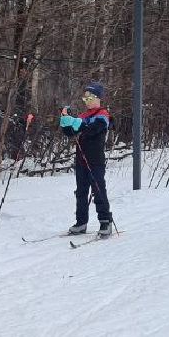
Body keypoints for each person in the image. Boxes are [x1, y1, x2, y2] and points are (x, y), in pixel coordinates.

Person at [60, 82, 114, 237]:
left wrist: (77, 123)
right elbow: (71, 132)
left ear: (98, 98)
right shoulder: (83, 116)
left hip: (95, 160)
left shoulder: (103, 115)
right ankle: (81, 222)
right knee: (81, 192)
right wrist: (65, 121)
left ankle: (105, 221)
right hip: (81, 160)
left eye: (90, 97)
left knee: (98, 190)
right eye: (85, 98)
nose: (87, 101)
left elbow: (94, 129)